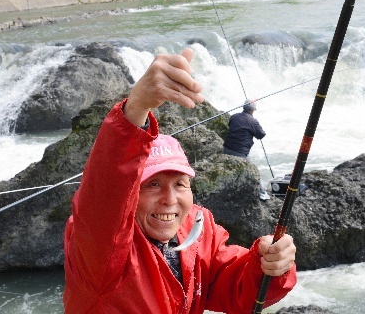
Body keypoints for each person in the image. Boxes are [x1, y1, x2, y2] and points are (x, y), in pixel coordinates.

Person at [63, 49, 297, 313]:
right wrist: (137, 105)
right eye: (152, 184)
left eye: (180, 184)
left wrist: (270, 265)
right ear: (129, 196)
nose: (170, 199)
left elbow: (234, 287)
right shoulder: (101, 248)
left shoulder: (198, 229)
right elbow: (105, 193)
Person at [223, 99, 271, 200]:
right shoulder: (253, 121)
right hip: (240, 154)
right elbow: (261, 134)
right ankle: (262, 193)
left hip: (226, 150)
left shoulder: (234, 117)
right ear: (253, 110)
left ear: (243, 107)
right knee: (253, 172)